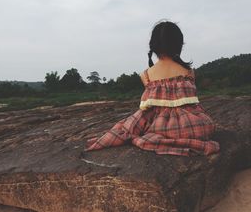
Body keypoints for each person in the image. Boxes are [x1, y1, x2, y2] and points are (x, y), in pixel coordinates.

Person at [84, 20, 220, 156]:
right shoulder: (189, 72)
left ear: (153, 46)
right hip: (191, 125)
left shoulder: (146, 75)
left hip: (158, 125)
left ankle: (160, 137)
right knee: (203, 127)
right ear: (179, 45)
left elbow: (151, 109)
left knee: (129, 127)